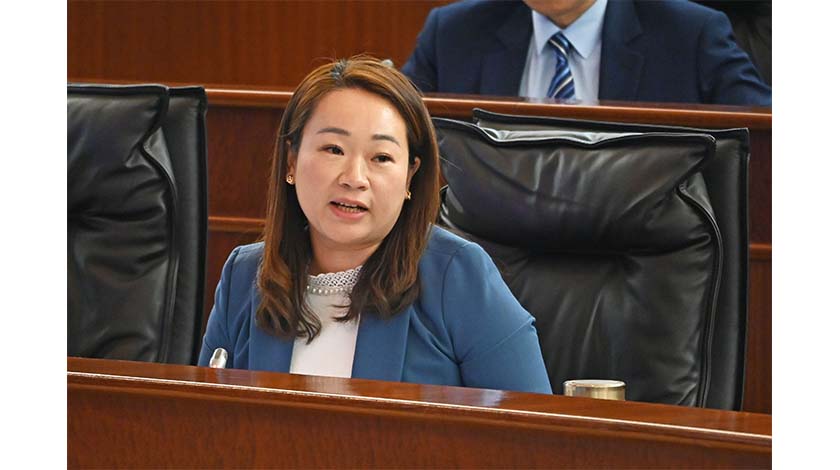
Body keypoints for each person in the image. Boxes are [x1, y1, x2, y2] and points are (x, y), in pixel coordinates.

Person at [198, 56, 552, 394]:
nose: (354, 178)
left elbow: (531, 428)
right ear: (291, 160)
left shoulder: (457, 276)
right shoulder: (244, 276)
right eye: (333, 149)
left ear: (410, 176)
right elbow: (204, 424)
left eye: (381, 157)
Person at [401, 0, 771, 106]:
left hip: (641, 253)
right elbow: (395, 127)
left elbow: (767, 140)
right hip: (493, 248)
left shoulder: (689, 35)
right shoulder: (453, 33)